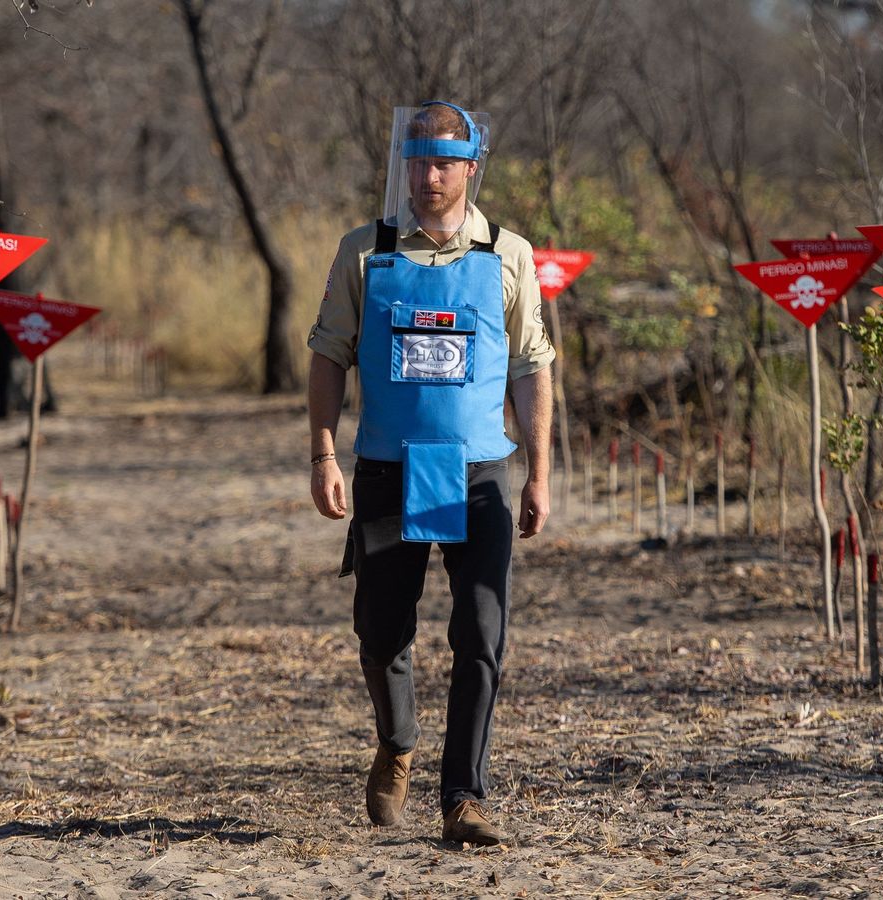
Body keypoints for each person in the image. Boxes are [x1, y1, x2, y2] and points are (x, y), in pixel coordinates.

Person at [306, 100, 554, 846]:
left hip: (479, 471)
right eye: (416, 161)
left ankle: (463, 798)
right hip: (389, 467)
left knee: (481, 631)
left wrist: (539, 472)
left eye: (444, 162)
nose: (428, 175)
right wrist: (323, 453)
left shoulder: (508, 254)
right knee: (382, 634)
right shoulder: (365, 251)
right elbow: (327, 354)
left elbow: (532, 365)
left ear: (472, 166)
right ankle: (399, 741)